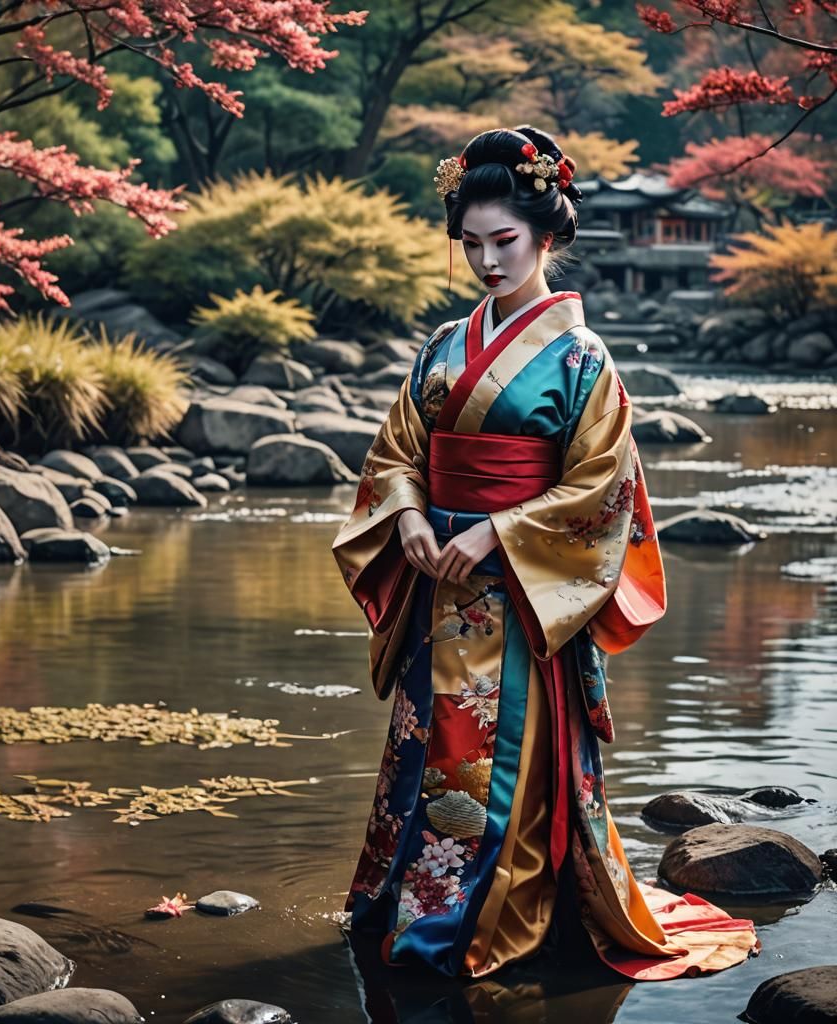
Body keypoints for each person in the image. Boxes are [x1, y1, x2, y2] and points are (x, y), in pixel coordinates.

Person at [331, 125, 760, 981]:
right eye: (473, 245)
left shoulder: (581, 358)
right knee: (429, 745)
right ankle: (409, 902)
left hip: (521, 599)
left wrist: (500, 530)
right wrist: (409, 513)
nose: (488, 262)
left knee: (501, 764)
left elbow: (605, 491)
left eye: (506, 241)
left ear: (547, 237)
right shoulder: (444, 345)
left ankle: (494, 916)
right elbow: (395, 455)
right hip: (434, 588)